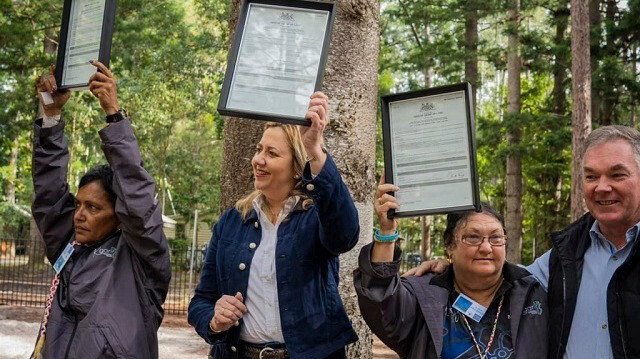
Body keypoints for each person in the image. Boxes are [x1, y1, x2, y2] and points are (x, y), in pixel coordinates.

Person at [407, 125, 640, 359]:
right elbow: (504, 280)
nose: (601, 187)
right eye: (591, 176)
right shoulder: (565, 254)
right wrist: (455, 263)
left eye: (617, 174)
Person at [187, 92, 359, 359]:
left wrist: (315, 150)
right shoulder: (232, 221)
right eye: (259, 149)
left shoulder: (318, 215)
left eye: (272, 153)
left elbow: (345, 236)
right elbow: (201, 301)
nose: (258, 159)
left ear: (295, 167)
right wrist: (214, 319)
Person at [31, 62, 171, 358]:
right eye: (79, 204)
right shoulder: (68, 243)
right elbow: (49, 193)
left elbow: (137, 195)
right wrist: (51, 113)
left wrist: (113, 113)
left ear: (120, 218)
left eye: (93, 208)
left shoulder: (140, 259)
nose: (79, 214)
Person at [354, 179, 547, 359]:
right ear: (449, 244)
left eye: (496, 238)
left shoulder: (534, 292)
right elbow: (380, 299)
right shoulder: (423, 295)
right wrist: (387, 231)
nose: (486, 247)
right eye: (472, 237)